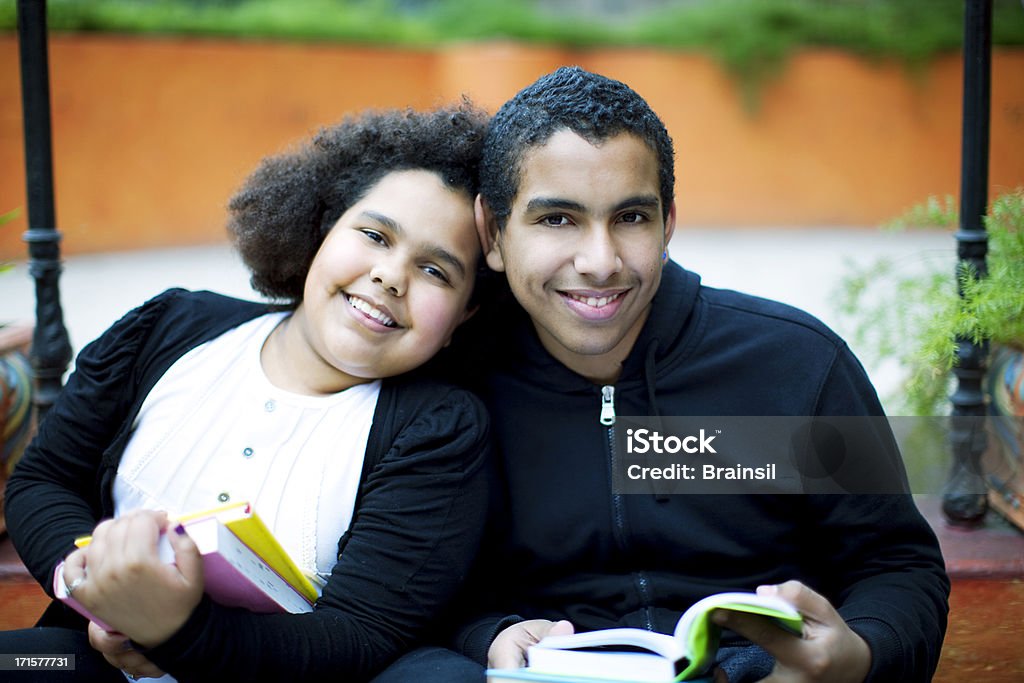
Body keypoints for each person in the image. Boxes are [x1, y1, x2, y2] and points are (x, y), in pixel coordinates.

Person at [373, 67, 950, 683]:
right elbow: (406, 591)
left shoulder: (796, 364)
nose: (600, 262)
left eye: (630, 218)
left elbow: (896, 566)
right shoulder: (454, 381)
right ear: (493, 231)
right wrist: (486, 635)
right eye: (557, 220)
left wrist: (857, 656)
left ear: (668, 222)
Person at [2, 103, 494, 682]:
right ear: (321, 228)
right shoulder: (165, 327)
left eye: (437, 270)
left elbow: (361, 632)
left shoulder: (440, 428)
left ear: (465, 317)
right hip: (88, 656)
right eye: (374, 235)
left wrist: (176, 636)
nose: (391, 275)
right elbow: (43, 480)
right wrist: (97, 586)